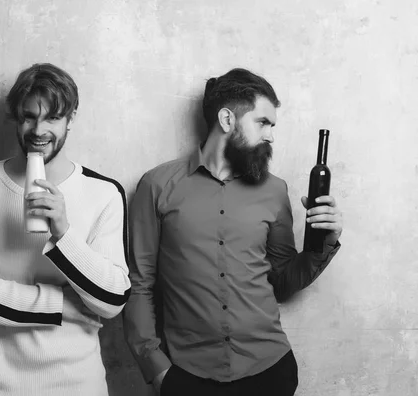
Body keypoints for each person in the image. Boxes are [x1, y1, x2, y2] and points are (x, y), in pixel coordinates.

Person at [123, 68, 343, 396]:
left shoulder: (274, 190)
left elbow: (282, 283)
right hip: (187, 377)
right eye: (263, 123)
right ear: (227, 120)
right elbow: (140, 286)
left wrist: (323, 243)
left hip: (271, 371)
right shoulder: (157, 186)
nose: (271, 136)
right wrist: (157, 370)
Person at [0, 63, 131, 396]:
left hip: (80, 388)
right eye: (29, 117)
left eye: (53, 118)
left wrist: (64, 233)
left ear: (71, 118)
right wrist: (57, 306)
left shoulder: (104, 193)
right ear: (16, 116)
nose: (39, 130)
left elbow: (112, 300)